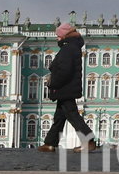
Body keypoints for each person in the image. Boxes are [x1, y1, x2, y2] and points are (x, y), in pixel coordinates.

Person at [38, 22, 96, 152]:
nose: (57, 38)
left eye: (58, 36)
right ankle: (50, 143)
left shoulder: (68, 48)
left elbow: (64, 71)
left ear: (64, 36)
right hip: (67, 88)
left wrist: (53, 83)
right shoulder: (72, 47)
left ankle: (88, 140)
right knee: (59, 117)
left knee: (72, 115)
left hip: (65, 88)